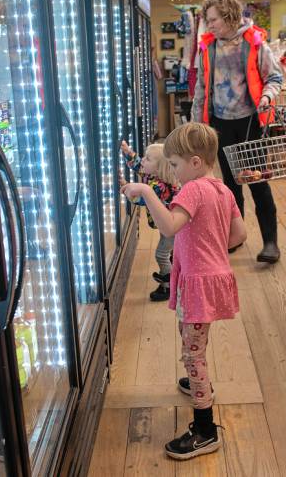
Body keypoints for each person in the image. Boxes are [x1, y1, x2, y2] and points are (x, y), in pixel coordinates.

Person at [121, 123, 247, 460]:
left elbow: (168, 227)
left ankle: (205, 429)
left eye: (174, 164)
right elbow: (238, 235)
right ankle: (196, 383)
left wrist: (146, 192)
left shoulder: (192, 190)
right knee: (195, 339)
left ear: (194, 162)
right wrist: (208, 245)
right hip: (215, 278)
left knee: (193, 354)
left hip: (198, 284)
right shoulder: (222, 189)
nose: (172, 171)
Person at [192, 0, 283, 263]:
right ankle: (236, 236)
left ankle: (270, 243)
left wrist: (267, 96)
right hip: (219, 124)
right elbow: (201, 88)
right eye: (207, 21)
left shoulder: (254, 43)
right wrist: (197, 124)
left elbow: (274, 77)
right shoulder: (208, 47)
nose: (209, 26)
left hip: (250, 123)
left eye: (213, 20)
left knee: (256, 182)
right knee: (230, 186)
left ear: (229, 16)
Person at [120, 140, 179, 301]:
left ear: (159, 168)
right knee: (172, 251)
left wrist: (126, 187)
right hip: (168, 224)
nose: (143, 160)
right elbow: (139, 165)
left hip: (172, 226)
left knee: (161, 254)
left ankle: (169, 286)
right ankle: (177, 271)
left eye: (147, 158)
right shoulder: (152, 175)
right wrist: (127, 151)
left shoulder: (158, 186)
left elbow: (140, 199)